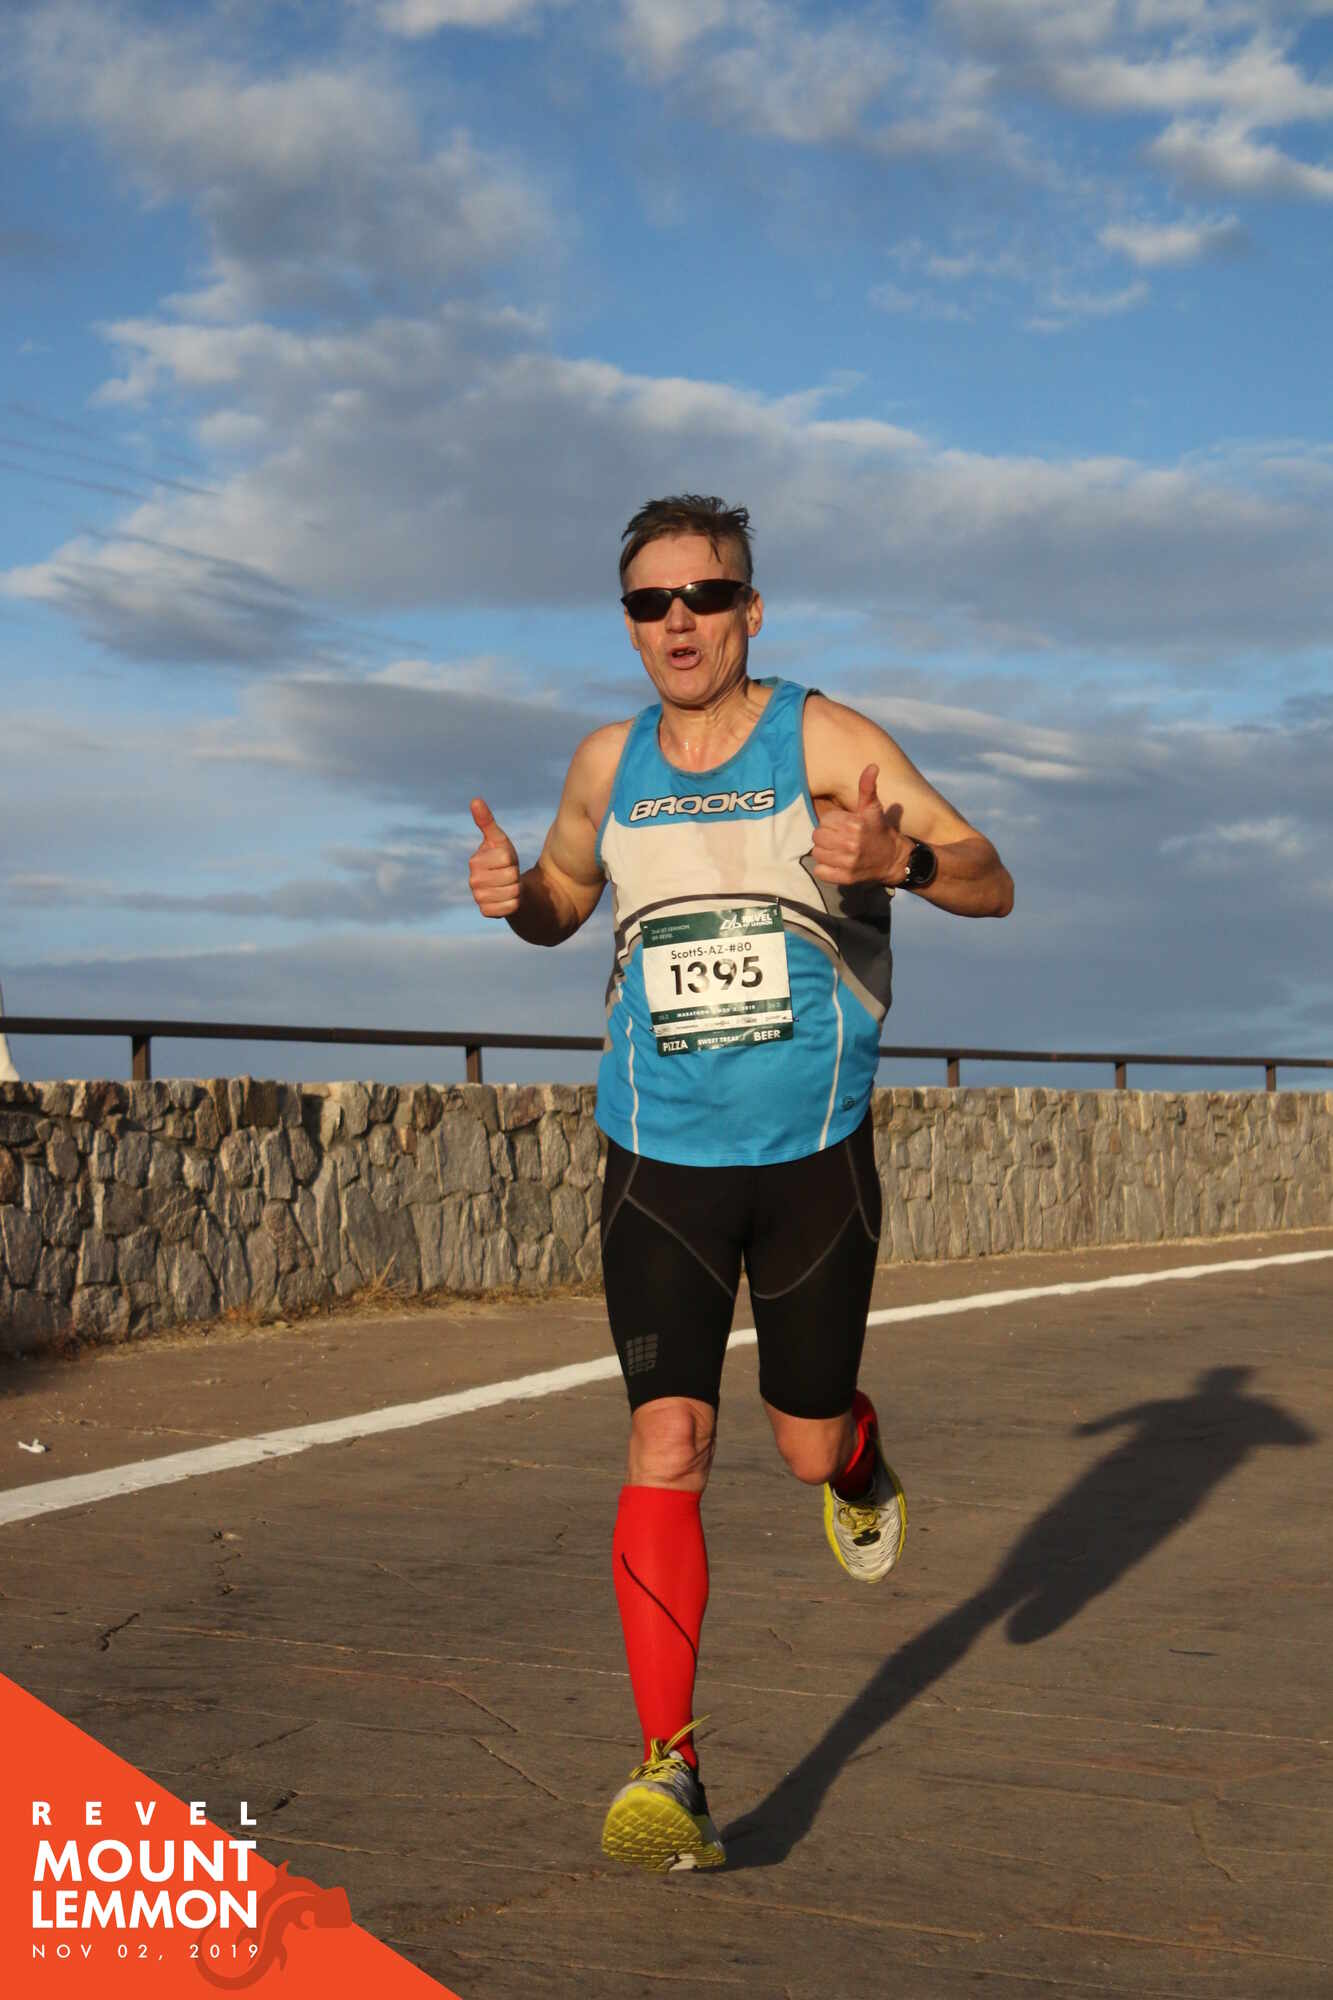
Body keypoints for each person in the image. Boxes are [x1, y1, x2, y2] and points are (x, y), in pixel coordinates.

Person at [467, 495, 1013, 1871]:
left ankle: (856, 1458)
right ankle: (671, 1771)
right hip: (658, 1159)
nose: (679, 623)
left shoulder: (825, 743)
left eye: (704, 597)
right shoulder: (607, 762)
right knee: (669, 1440)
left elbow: (991, 878)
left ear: (750, 611)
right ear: (628, 625)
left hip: (814, 1157)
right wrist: (517, 899)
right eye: (649, 603)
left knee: (802, 1443)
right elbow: (564, 901)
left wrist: (900, 861)